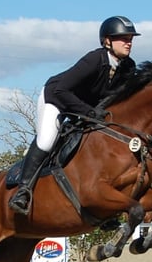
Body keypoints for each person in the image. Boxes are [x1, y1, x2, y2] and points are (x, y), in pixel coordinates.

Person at [8, 15, 141, 215]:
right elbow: (62, 90)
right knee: (46, 141)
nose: (128, 42)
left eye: (130, 38)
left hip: (86, 108)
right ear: (107, 40)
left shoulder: (129, 67)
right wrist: (89, 112)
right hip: (56, 99)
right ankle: (23, 190)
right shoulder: (94, 59)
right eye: (123, 38)